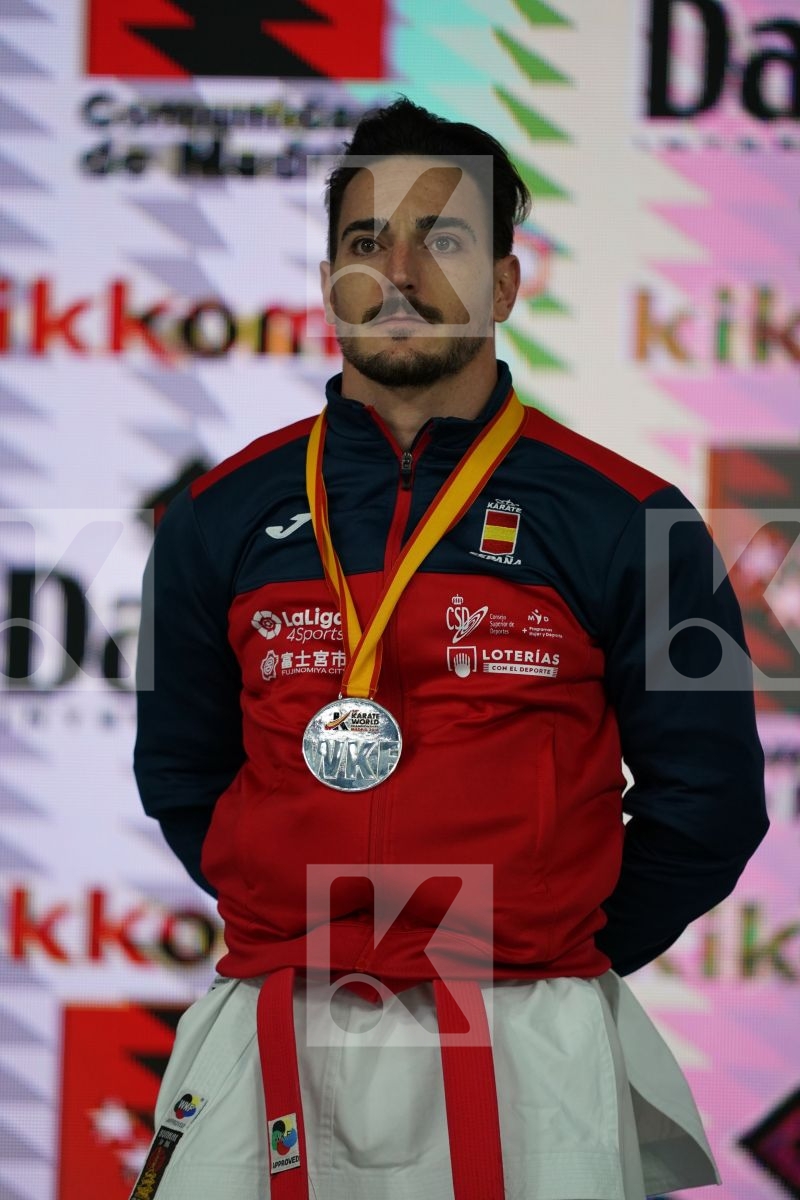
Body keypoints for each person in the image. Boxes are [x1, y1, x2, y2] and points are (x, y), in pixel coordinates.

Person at [132, 97, 768, 1200]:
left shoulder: (632, 516)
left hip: (530, 1031)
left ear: (505, 284)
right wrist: (295, 911)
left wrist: (546, 940)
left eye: (445, 239)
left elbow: (710, 801)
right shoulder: (218, 515)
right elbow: (179, 770)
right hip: (280, 1011)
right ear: (327, 277)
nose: (399, 269)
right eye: (365, 241)